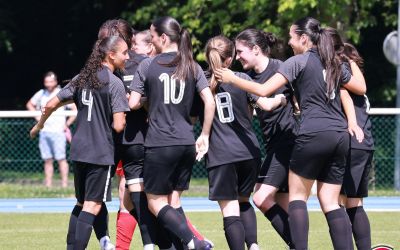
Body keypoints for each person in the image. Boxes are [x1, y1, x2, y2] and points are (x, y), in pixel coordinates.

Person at [215, 17, 364, 250]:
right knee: (330, 201)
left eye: (293, 37)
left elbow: (264, 90)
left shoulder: (297, 62)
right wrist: (352, 121)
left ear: (304, 38)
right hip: (338, 135)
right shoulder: (332, 61)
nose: (289, 43)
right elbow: (352, 89)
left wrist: (232, 78)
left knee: (295, 200)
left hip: (307, 136)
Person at [30, 35, 130, 250]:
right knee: (92, 206)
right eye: (124, 53)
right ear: (111, 55)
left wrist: (39, 125)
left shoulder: (81, 78)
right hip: (100, 152)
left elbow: (49, 105)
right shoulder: (114, 83)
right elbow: (119, 125)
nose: (127, 57)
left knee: (81, 203)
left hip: (79, 150)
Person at [129, 16, 215, 250]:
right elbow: (209, 101)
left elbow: (134, 103)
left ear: (163, 38)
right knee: (174, 202)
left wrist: (143, 97)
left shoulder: (148, 65)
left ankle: (193, 242)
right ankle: (187, 245)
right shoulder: (192, 65)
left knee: (155, 204)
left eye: (153, 36)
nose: (152, 40)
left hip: (159, 143)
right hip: (186, 142)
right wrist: (204, 135)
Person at [199, 35, 287, 250]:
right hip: (249, 152)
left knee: (230, 211)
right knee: (244, 201)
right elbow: (266, 105)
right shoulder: (241, 78)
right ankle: (254, 246)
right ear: (229, 59)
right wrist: (282, 99)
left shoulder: (199, 80)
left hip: (221, 155)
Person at [234, 28, 296, 248]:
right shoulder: (248, 78)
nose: (237, 56)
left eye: (241, 51)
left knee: (260, 198)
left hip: (288, 143)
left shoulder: (281, 69)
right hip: (272, 145)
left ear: (256, 49)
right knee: (283, 205)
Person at [26, 71, 76, 188]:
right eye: (46, 81)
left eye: (50, 81)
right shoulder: (41, 94)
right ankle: (48, 185)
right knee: (47, 160)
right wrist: (38, 118)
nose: (48, 84)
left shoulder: (61, 93)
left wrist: (67, 124)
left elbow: (75, 109)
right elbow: (30, 104)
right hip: (44, 131)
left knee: (61, 159)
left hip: (58, 132)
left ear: (55, 81)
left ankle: (64, 185)